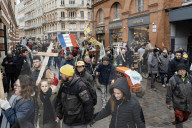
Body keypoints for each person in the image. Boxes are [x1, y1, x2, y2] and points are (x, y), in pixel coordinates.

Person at [166, 63, 192, 128]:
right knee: (179, 118)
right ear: (177, 71)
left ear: (186, 70)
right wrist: (168, 102)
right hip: (178, 104)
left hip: (188, 103)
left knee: (186, 117)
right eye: (180, 70)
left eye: (183, 70)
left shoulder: (190, 78)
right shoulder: (173, 79)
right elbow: (169, 91)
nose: (182, 71)